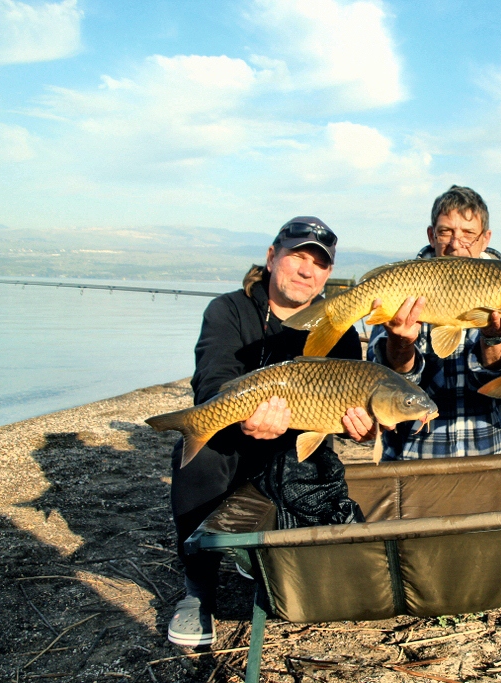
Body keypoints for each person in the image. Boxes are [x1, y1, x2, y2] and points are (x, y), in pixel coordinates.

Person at [167, 217, 375, 647]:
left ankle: (267, 554)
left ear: (328, 274)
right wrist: (244, 418)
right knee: (196, 453)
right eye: (297, 256)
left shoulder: (339, 330)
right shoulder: (228, 310)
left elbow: (354, 410)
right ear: (270, 257)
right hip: (235, 445)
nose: (306, 270)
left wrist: (366, 430)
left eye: (318, 263)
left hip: (300, 453)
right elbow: (210, 384)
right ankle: (197, 590)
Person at [367, 185, 501, 459]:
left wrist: (493, 338)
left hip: (489, 454)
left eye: (469, 233)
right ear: (431, 235)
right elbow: (379, 385)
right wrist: (400, 345)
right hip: (412, 457)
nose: (456, 243)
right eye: (446, 231)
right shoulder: (403, 284)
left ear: (485, 238)